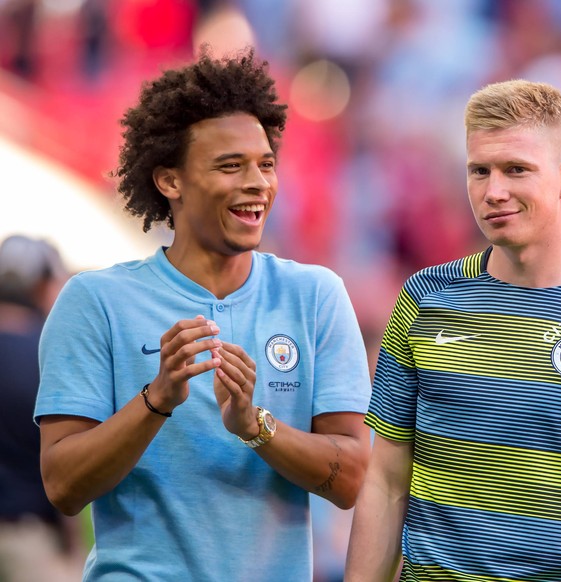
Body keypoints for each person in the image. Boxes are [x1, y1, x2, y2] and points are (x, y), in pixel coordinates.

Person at [345, 79, 561, 581]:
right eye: (479, 171)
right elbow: (385, 482)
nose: (494, 191)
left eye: (516, 169)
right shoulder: (425, 299)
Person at [34, 49, 372, 581]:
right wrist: (156, 401)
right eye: (230, 166)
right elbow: (62, 487)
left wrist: (255, 427)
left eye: (265, 164)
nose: (258, 182)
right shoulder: (95, 301)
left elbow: (351, 478)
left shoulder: (316, 295)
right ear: (170, 181)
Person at [0, 234, 83, 582]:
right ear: (40, 284)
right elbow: (64, 465)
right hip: (29, 537)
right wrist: (74, 547)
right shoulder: (46, 353)